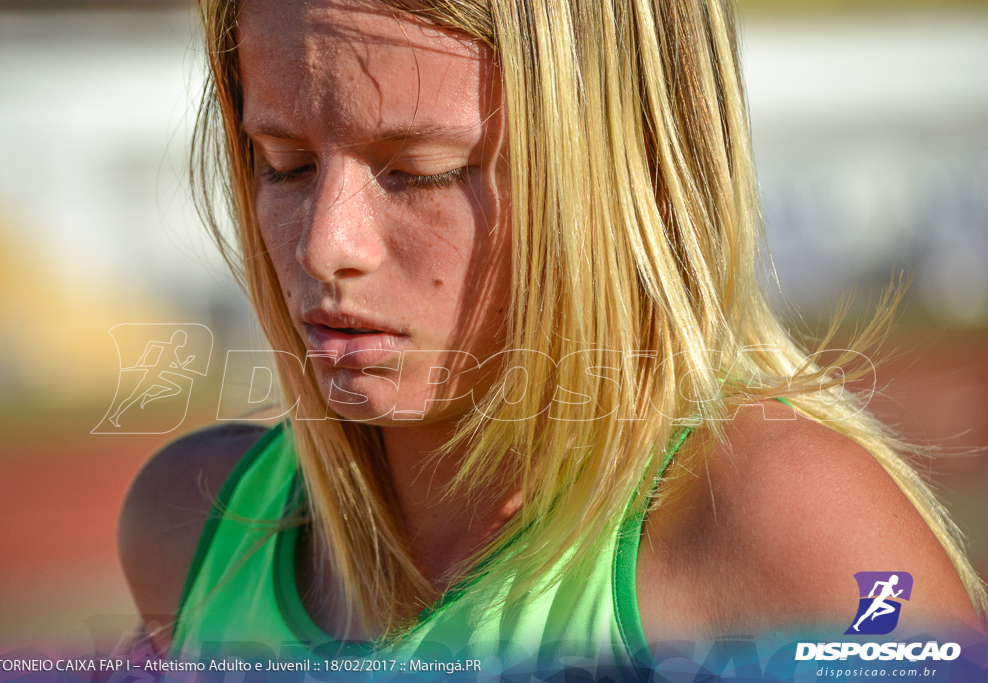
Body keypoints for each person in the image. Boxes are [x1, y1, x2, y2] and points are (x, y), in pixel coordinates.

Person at [119, 0, 986, 678]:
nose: (324, 245)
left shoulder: (778, 527)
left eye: (423, 170)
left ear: (631, 163)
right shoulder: (190, 533)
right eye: (284, 163)